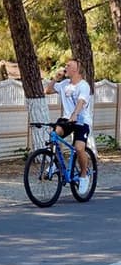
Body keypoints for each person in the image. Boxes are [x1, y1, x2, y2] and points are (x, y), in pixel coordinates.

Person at [44, 59, 92, 194]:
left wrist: (75, 114)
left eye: (68, 66)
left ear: (76, 69)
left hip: (81, 120)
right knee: (54, 135)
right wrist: (55, 78)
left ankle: (83, 175)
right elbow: (47, 91)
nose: (65, 68)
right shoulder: (64, 84)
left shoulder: (84, 86)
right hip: (67, 119)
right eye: (66, 65)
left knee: (79, 148)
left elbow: (81, 102)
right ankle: (56, 164)